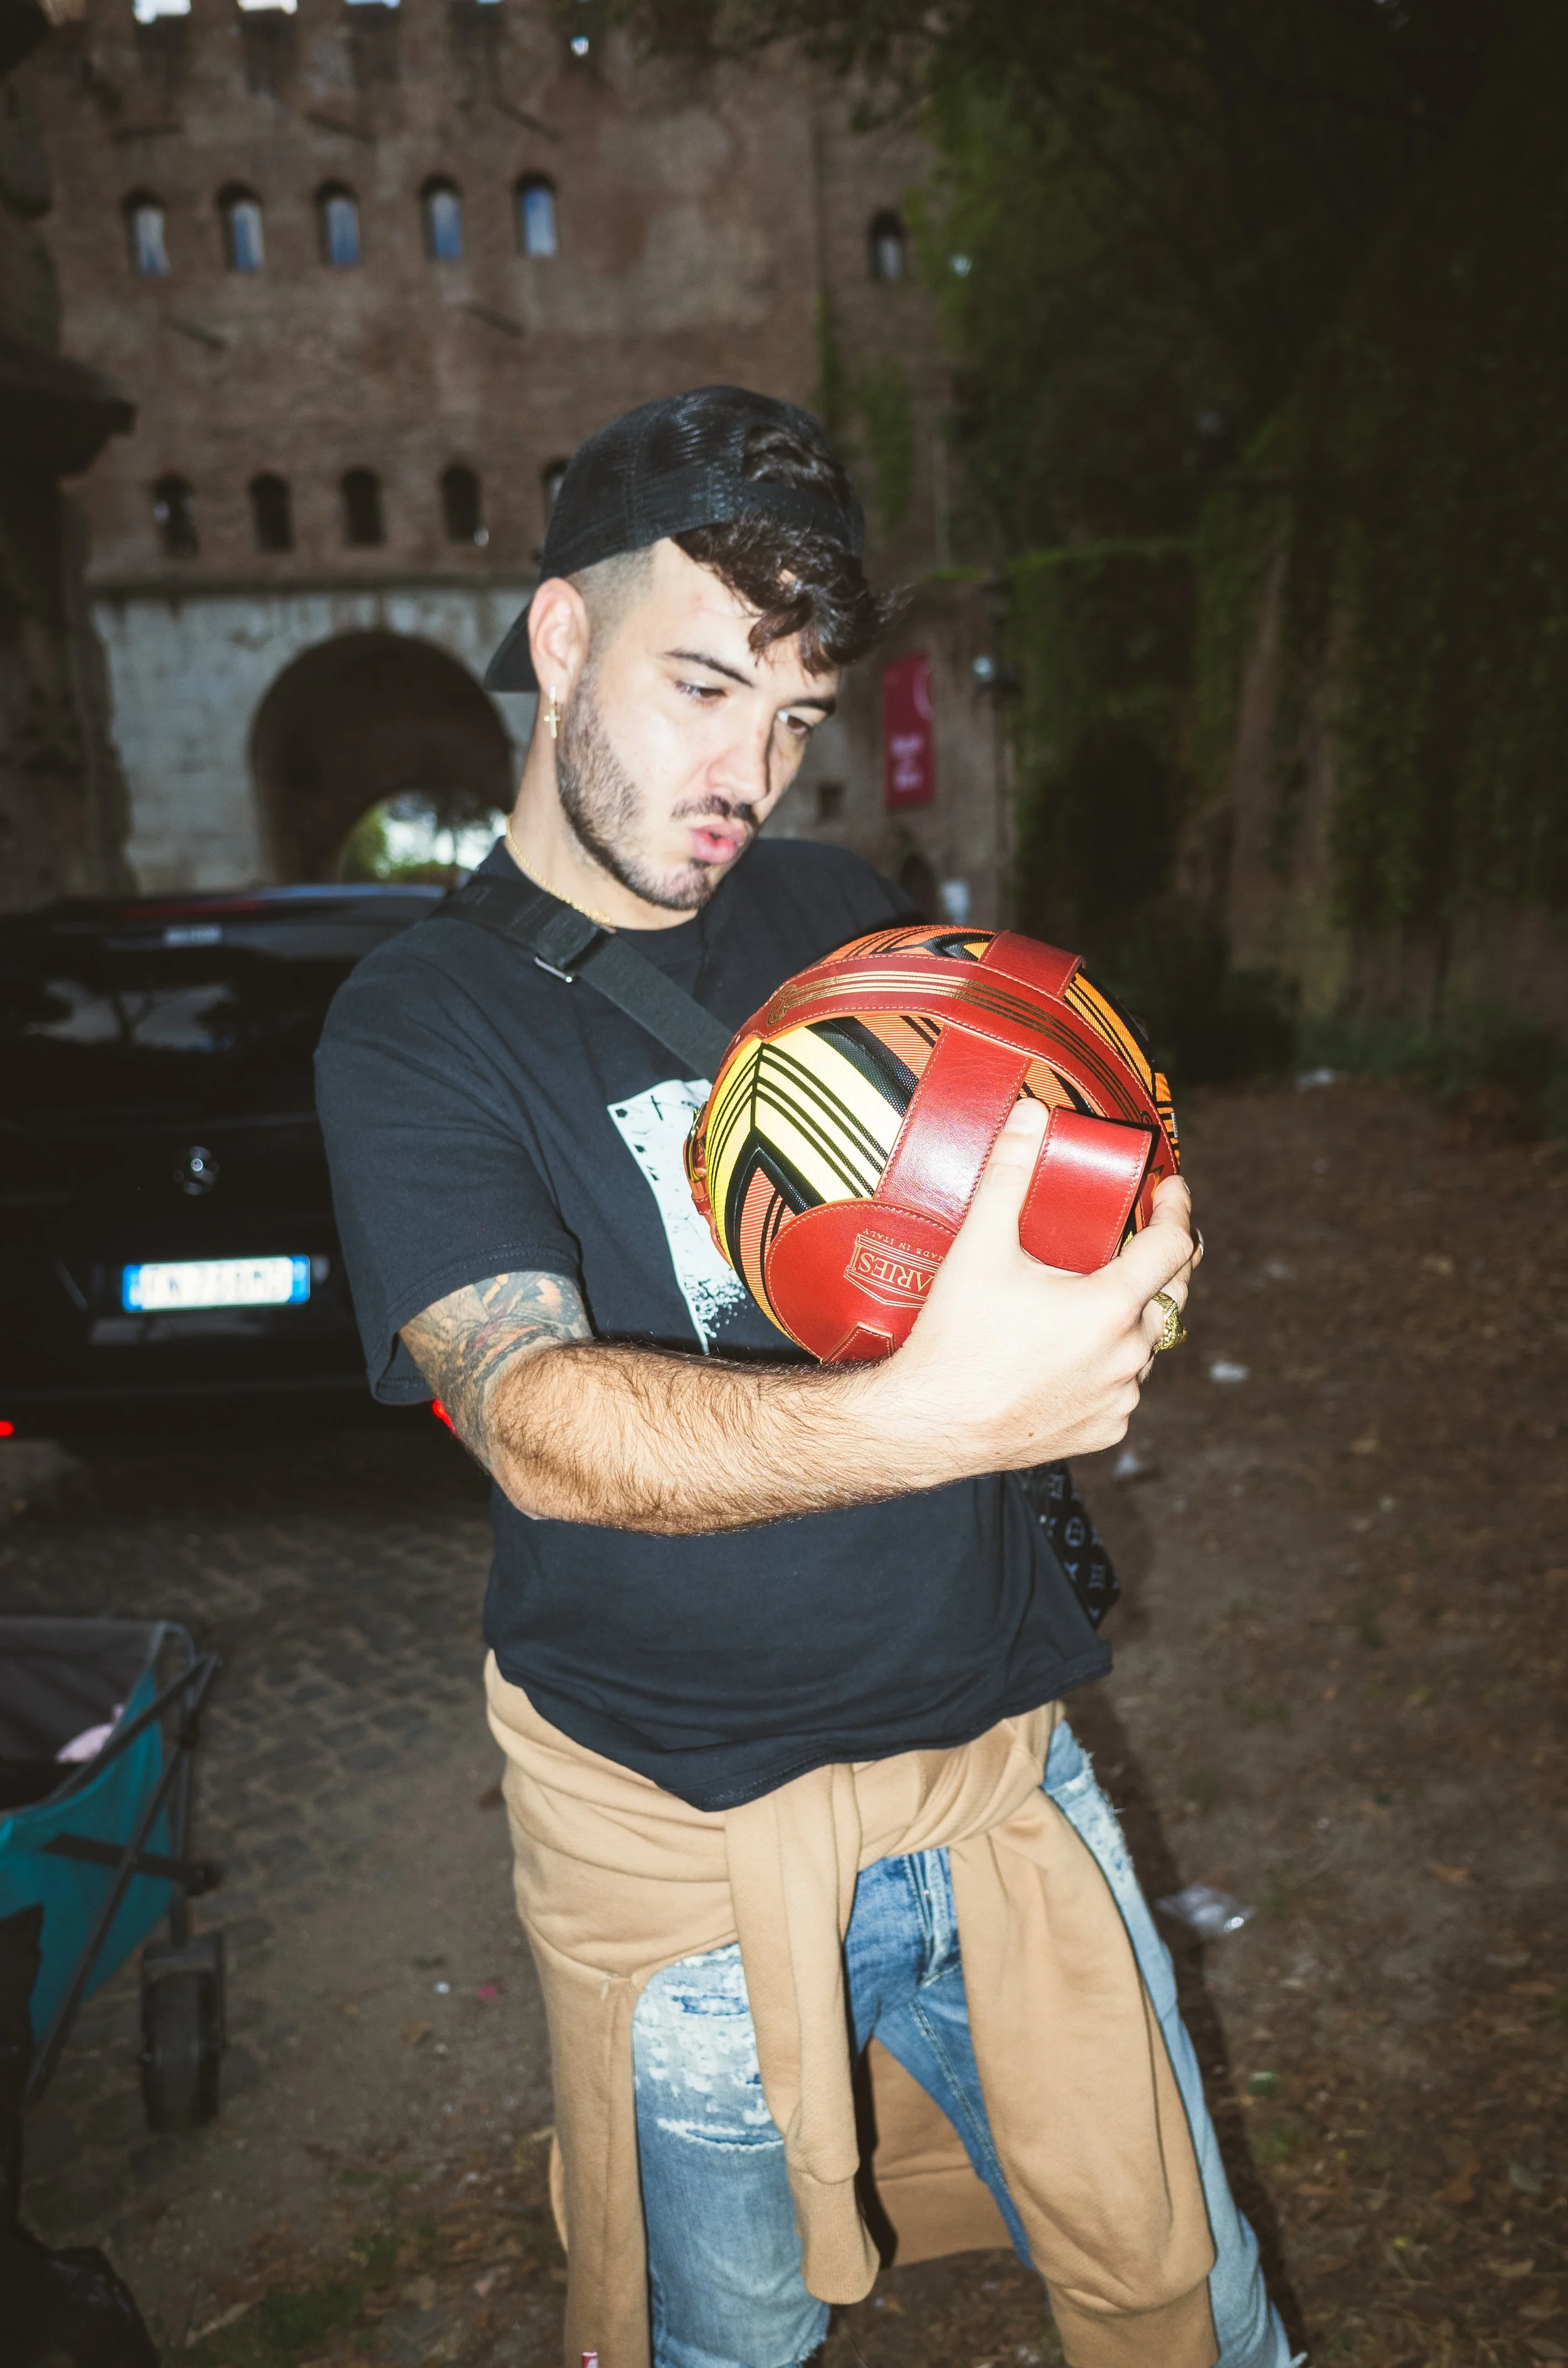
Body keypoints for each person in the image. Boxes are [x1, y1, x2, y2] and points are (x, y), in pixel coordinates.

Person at [315, 386, 1300, 2368]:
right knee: (722, 2344)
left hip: (995, 1784)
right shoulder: (414, 1028)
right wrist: (942, 1415)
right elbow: (533, 1415)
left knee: (1192, 2305)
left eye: (788, 718)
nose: (743, 771)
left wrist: (1114, 1239)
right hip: (682, 1852)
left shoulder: (841, 914)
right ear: (560, 639)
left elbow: (1014, 1184)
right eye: (699, 686)